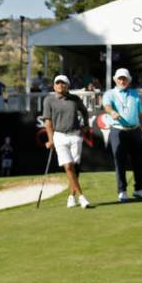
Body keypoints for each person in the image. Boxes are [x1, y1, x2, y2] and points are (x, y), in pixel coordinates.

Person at [102, 68, 142, 202]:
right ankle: (122, 191)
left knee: (139, 161)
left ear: (129, 80)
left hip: (135, 130)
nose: (122, 81)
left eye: (124, 79)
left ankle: (139, 190)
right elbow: (107, 106)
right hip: (118, 130)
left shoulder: (134, 94)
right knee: (120, 161)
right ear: (115, 80)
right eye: (120, 78)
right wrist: (112, 112)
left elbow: (141, 115)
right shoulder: (109, 94)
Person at [42, 74, 92, 209]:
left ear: (68, 86)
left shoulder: (75, 99)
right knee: (68, 166)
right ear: (54, 86)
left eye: (63, 83)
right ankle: (82, 197)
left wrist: (86, 126)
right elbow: (48, 122)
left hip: (75, 135)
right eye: (57, 83)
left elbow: (85, 112)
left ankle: (71, 196)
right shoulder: (48, 100)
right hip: (60, 137)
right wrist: (50, 140)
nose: (60, 85)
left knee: (74, 168)